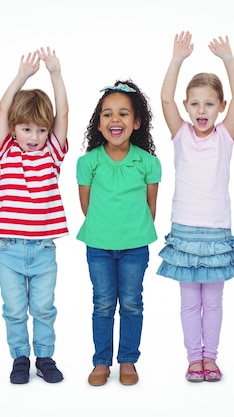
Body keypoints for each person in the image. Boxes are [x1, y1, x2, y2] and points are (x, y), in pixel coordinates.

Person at [156, 31, 234, 382]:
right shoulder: (181, 134)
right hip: (185, 231)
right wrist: (177, 58)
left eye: (209, 104)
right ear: (187, 107)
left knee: (215, 302)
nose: (201, 110)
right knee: (190, 302)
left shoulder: (225, 136)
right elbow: (165, 100)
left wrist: (228, 58)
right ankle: (194, 359)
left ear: (220, 107)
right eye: (194, 104)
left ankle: (212, 357)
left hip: (216, 232)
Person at [77, 80, 161, 386]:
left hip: (135, 247)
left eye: (123, 114)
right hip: (98, 245)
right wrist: (107, 227)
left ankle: (128, 360)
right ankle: (102, 362)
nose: (115, 120)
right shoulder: (88, 162)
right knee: (102, 303)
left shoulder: (148, 162)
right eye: (107, 114)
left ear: (136, 122)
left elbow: (151, 207)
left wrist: (131, 231)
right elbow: (86, 206)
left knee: (131, 303)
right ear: (98, 124)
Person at [0, 47, 69, 384]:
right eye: (26, 129)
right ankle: (20, 357)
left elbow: (63, 115)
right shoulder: (6, 149)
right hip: (8, 249)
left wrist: (55, 74)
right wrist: (22, 76)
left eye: (40, 130)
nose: (34, 138)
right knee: (13, 310)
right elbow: (1, 109)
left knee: (43, 308)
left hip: (42, 249)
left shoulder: (52, 153)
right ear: (13, 129)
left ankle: (45, 356)